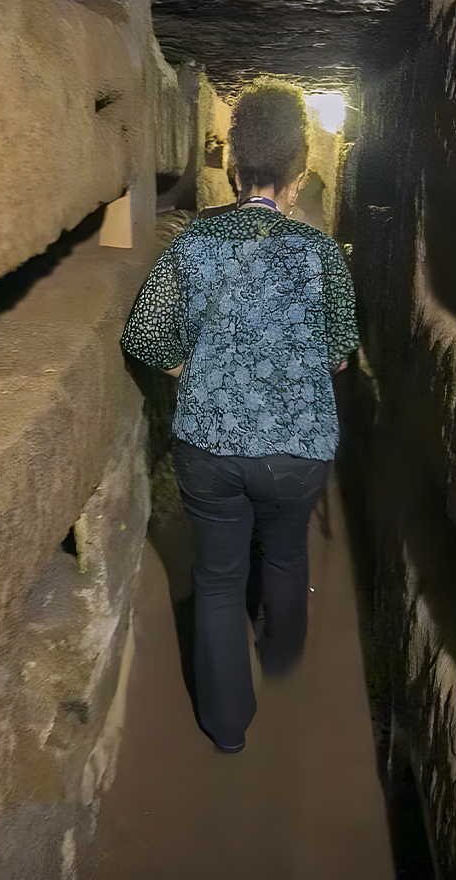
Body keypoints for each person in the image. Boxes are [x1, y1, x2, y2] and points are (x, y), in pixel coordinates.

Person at [120, 78, 359, 754]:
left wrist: (189, 371)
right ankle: (281, 656)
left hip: (210, 448)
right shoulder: (320, 256)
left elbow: (145, 335)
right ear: (301, 171)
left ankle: (227, 726)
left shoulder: (192, 246)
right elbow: (339, 351)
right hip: (297, 451)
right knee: (283, 553)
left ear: (230, 167)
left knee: (218, 579)